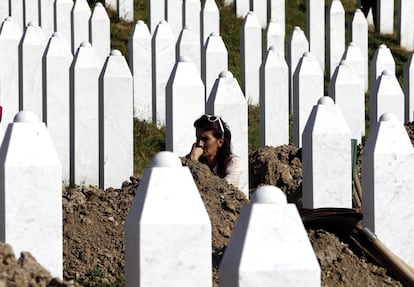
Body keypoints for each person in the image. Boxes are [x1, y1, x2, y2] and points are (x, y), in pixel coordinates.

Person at [188, 114, 243, 187]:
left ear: (220, 142)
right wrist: (192, 161)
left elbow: (220, 190)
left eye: (205, 139)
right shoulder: (193, 158)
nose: (199, 143)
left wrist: (194, 163)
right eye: (198, 138)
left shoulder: (233, 164)